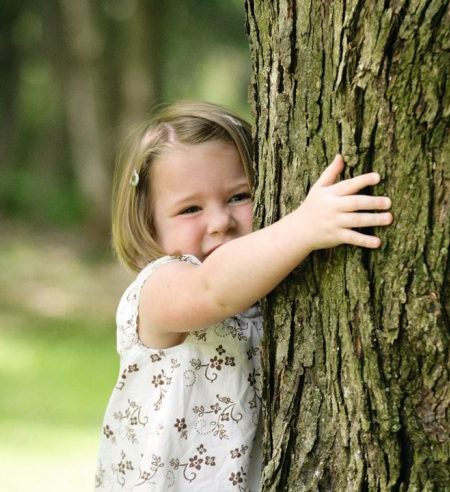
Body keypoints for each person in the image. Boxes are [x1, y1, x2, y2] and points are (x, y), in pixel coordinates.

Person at [94, 101, 392, 491]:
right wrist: (304, 227)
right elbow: (213, 290)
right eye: (190, 209)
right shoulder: (158, 289)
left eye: (238, 197)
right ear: (148, 225)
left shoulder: (266, 289)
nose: (220, 222)